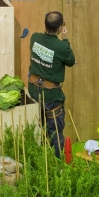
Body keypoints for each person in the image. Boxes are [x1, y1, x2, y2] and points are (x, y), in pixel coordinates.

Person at [28, 12, 76, 157]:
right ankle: (56, 166)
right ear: (60, 27)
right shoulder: (62, 47)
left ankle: (40, 159)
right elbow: (71, 61)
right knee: (54, 131)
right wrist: (65, 39)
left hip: (34, 91)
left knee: (37, 128)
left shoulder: (34, 38)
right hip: (51, 96)